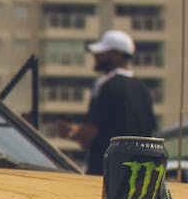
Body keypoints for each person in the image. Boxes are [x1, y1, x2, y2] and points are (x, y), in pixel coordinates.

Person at [57, 29, 156, 175]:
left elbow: (90, 133)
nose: (95, 56)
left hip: (106, 173)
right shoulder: (143, 89)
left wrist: (70, 132)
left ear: (117, 55)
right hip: (136, 175)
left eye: (102, 53)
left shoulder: (104, 84)